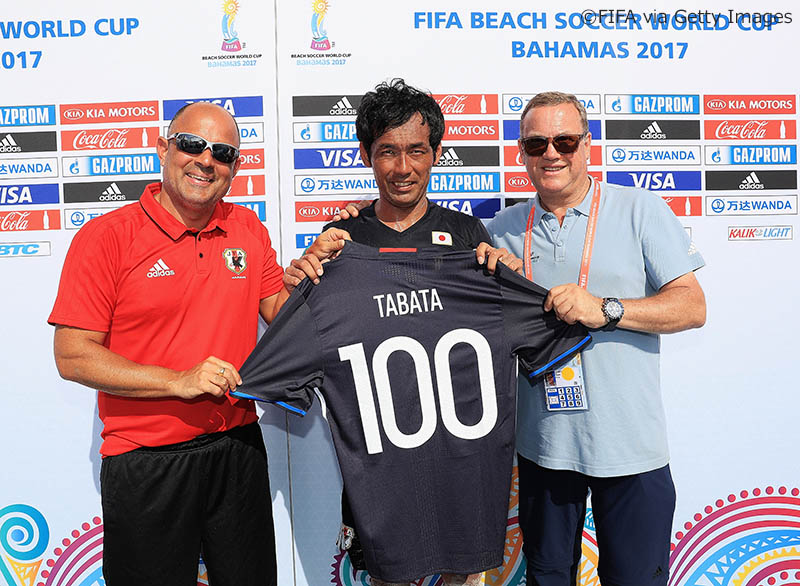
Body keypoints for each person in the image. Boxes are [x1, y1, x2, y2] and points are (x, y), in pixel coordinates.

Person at [285, 79, 518, 586]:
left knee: (461, 575)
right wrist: (298, 287)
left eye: (416, 150)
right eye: (388, 152)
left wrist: (515, 281)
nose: (403, 167)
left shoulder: (468, 235)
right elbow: (306, 332)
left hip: (460, 458)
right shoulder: (342, 239)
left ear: (436, 153)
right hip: (380, 471)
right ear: (366, 155)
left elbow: (504, 323)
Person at [49, 102, 288, 586]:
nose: (206, 161)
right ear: (163, 148)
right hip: (146, 460)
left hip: (237, 447)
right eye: (192, 145)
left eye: (222, 153)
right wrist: (178, 381)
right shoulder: (106, 238)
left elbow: (286, 319)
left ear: (235, 167)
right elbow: (72, 355)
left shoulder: (247, 228)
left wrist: (328, 268)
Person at [486, 91, 707, 586]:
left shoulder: (640, 209)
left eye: (564, 141)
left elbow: (693, 307)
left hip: (631, 448)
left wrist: (605, 309)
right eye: (537, 143)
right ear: (522, 153)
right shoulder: (501, 231)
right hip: (544, 448)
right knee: (547, 578)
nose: (551, 153)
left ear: (587, 144)